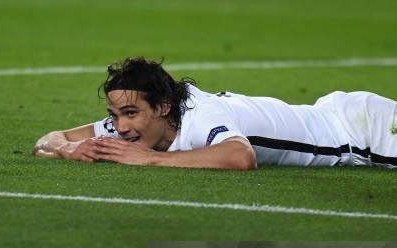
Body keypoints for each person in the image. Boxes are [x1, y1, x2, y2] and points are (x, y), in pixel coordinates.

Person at [33, 57, 397, 170]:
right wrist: (67, 149)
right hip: (339, 114)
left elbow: (240, 156)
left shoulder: (201, 115)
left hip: (360, 134)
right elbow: (51, 138)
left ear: (162, 108)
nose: (120, 126)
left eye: (129, 113)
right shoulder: (131, 125)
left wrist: (151, 160)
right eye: (114, 115)